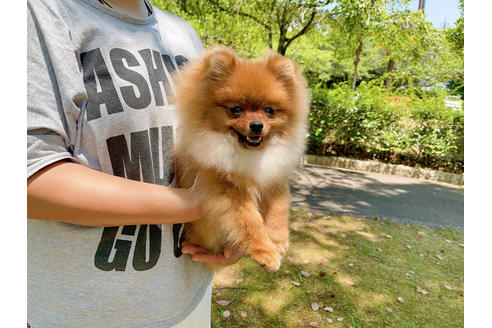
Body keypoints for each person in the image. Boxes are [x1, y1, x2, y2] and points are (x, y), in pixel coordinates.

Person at [27, 0, 242, 327]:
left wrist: (236, 226)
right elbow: (30, 180)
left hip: (190, 296)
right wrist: (198, 204)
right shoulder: (40, 12)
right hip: (83, 314)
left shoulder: (182, 33)